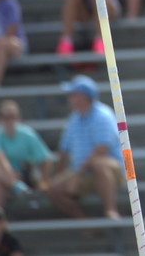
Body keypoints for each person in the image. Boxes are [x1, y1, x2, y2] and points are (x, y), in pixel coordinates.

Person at [44, 75, 124, 221]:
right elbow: (63, 150)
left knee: (99, 163)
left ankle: (111, 210)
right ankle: (85, 223)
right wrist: (59, 176)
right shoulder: (73, 118)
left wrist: (76, 176)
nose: (69, 98)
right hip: (82, 171)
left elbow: (101, 150)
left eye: (73, 94)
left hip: (109, 169)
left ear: (83, 97)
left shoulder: (103, 115)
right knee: (53, 188)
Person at [0, 100, 53, 209]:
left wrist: (44, 182)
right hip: (1, 176)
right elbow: (0, 158)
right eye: (4, 116)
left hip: (16, 176)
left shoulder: (27, 135)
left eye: (11, 116)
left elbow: (45, 159)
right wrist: (14, 182)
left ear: (18, 118)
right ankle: (17, 188)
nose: (8, 120)